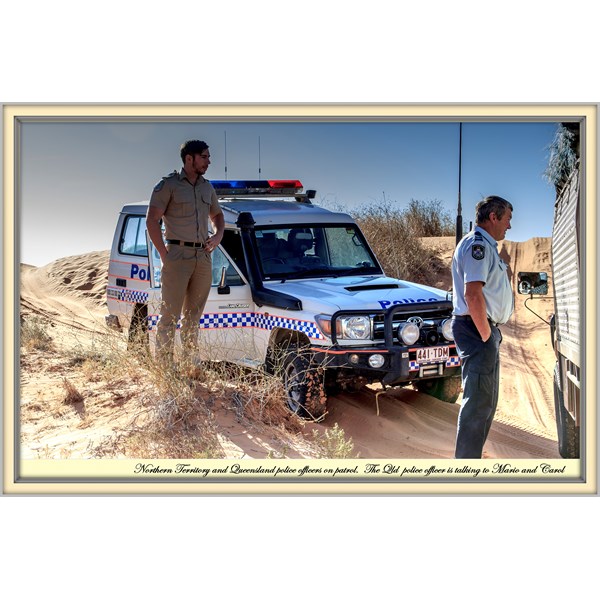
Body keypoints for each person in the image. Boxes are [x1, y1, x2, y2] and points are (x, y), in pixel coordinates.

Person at [146, 140, 225, 361]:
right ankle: (164, 369)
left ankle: (191, 365)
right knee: (169, 316)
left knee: (193, 317)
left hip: (203, 257)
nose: (209, 161)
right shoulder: (168, 185)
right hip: (176, 256)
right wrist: (165, 255)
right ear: (189, 158)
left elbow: (217, 216)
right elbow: (152, 221)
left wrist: (218, 235)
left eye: (209, 157)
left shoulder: (207, 187)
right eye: (204, 157)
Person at [451, 196, 514, 458]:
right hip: (477, 330)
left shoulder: (486, 246)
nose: (509, 226)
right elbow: (473, 294)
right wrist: (486, 336)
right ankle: (465, 470)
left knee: (486, 402)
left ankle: (470, 462)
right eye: (508, 219)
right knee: (478, 404)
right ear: (493, 217)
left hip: (482, 330)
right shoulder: (478, 245)